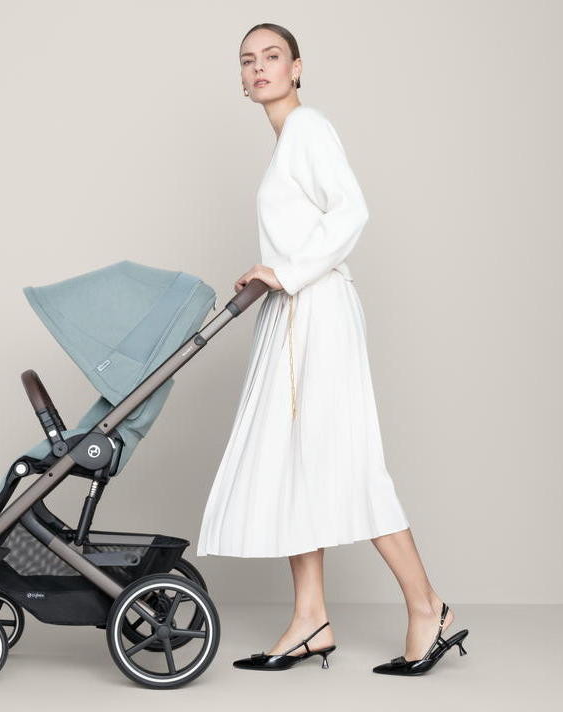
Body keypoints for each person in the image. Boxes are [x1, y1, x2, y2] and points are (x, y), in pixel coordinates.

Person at [195, 23, 469, 675]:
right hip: (293, 313)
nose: (258, 68)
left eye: (271, 57)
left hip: (317, 311)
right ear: (241, 79)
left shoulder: (308, 128)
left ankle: (428, 606)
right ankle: (310, 618)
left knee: (347, 461)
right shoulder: (287, 143)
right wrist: (275, 275)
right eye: (247, 61)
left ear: (296, 67)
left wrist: (285, 273)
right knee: (298, 464)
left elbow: (350, 212)